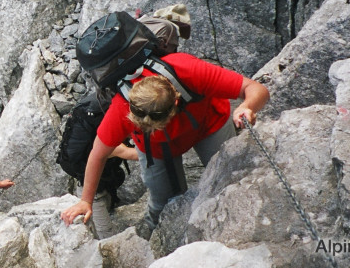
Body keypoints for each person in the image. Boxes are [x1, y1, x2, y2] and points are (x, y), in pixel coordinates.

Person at [59, 54, 269, 234]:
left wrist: (247, 107)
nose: (150, 129)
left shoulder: (188, 70)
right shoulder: (122, 107)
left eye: (155, 126)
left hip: (209, 123)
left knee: (229, 177)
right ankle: (157, 238)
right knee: (162, 204)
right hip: (157, 148)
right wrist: (86, 201)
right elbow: (98, 154)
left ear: (176, 102)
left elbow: (255, 88)